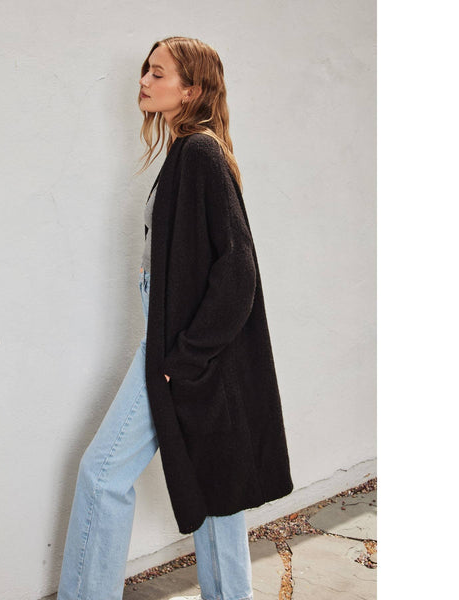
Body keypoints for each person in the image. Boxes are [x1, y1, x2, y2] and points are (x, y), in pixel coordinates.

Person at [57, 36, 294, 600]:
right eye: (146, 69)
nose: (143, 79)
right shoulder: (187, 152)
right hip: (183, 343)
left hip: (179, 347)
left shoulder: (199, 154)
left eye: (158, 73)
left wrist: (180, 359)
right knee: (217, 483)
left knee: (102, 474)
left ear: (191, 90)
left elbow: (238, 272)